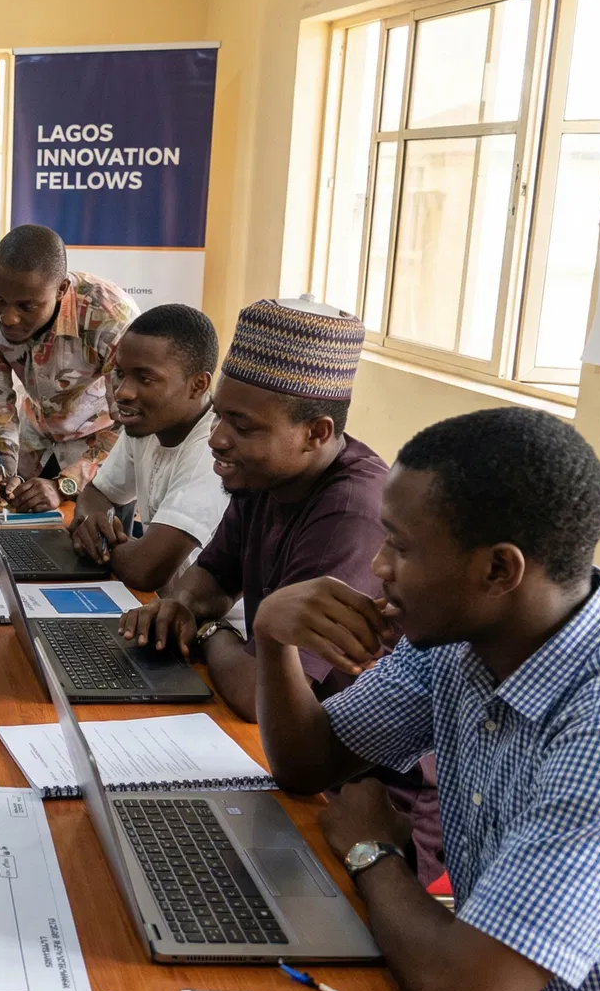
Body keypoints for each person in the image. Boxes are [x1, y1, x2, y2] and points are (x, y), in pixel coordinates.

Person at [251, 408, 600, 991]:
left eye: (402, 548)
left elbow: (466, 988)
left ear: (497, 569)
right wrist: (274, 637)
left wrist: (371, 851)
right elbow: (309, 763)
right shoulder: (461, 644)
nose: (379, 566)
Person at [117, 297, 442, 885]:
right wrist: (183, 608)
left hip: (360, 802)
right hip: (291, 757)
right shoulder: (266, 476)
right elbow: (211, 577)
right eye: (219, 417)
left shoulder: (353, 513)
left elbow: (256, 694)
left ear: (316, 432)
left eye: (242, 427)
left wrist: (211, 631)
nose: (216, 439)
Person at [0, 224, 138, 514]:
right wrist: (4, 472)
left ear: (61, 290)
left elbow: (131, 425)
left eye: (26, 306)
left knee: (99, 551)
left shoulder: (109, 317)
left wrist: (64, 485)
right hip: (32, 441)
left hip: (101, 453)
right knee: (23, 552)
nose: (7, 318)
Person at [68, 303, 227, 592]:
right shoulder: (147, 423)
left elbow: (145, 571)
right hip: (162, 608)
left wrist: (95, 538)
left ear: (198, 385)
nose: (122, 392)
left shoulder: (213, 451)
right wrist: (94, 523)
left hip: (213, 627)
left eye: (145, 378)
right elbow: (98, 494)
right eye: (121, 374)